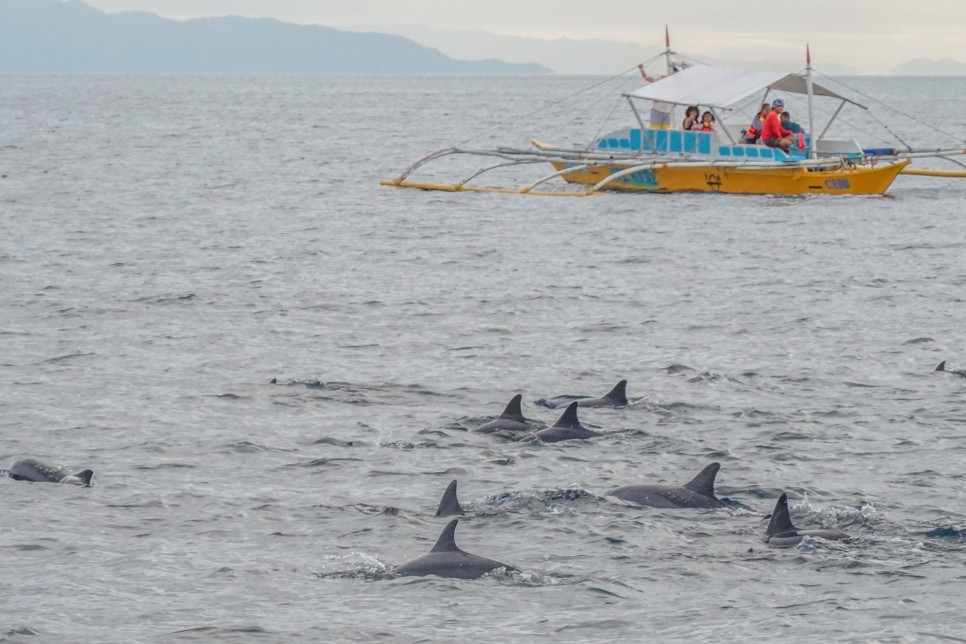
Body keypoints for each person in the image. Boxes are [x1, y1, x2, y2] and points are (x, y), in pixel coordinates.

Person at [638, 64, 673, 129]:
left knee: (666, 132)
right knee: (654, 130)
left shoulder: (672, 81)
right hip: (657, 110)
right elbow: (647, 78)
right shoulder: (658, 79)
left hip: (667, 112)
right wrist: (641, 70)